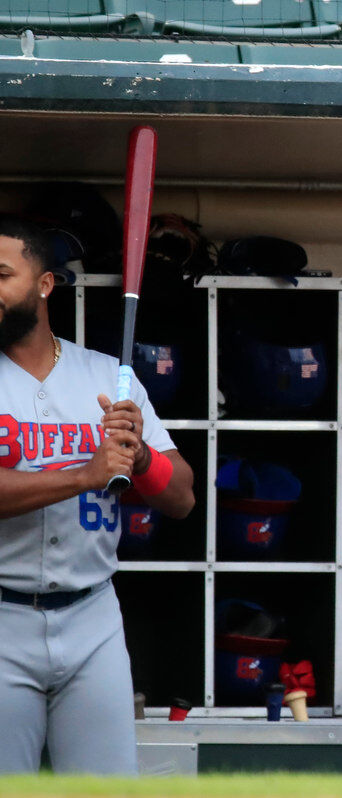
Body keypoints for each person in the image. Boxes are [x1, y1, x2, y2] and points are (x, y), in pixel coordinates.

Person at [0, 215, 195, 774]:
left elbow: (181, 499)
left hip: (92, 617)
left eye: (3, 274)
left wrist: (140, 458)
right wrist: (83, 475)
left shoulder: (107, 376)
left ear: (44, 285)